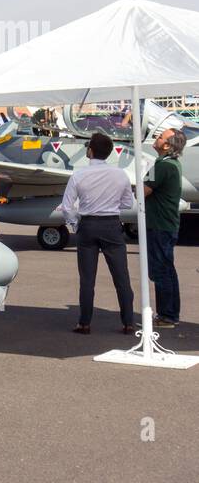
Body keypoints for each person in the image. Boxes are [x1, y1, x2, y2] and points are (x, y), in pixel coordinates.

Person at [61, 132, 136, 334]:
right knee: (121, 277)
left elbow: (67, 207)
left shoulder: (79, 174)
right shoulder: (120, 174)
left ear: (90, 151)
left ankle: (84, 323)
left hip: (88, 226)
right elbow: (128, 203)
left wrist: (75, 225)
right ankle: (128, 322)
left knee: (87, 279)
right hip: (111, 225)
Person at [143, 128, 186, 327]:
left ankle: (167, 315)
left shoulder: (162, 166)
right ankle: (169, 314)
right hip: (165, 224)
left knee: (161, 270)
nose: (156, 138)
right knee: (167, 270)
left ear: (167, 145)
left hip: (159, 225)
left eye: (160, 137)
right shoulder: (169, 164)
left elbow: (143, 191)